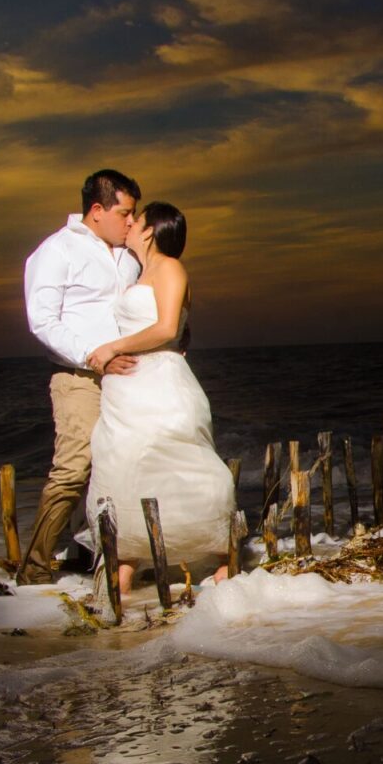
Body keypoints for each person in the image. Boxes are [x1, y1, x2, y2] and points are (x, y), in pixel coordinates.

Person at [84, 201, 236, 591]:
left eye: (136, 219)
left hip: (159, 383)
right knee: (124, 465)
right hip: (127, 390)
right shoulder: (140, 273)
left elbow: (168, 327)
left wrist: (112, 347)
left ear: (151, 230)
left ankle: (225, 555)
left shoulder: (169, 267)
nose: (129, 223)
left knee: (181, 462)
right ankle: (126, 563)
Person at [18, 169, 143, 585]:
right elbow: (42, 322)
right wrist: (94, 358)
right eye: (124, 213)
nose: (131, 222)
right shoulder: (56, 251)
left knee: (121, 467)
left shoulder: (127, 253)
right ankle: (34, 569)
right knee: (73, 469)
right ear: (96, 210)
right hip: (78, 377)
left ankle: (99, 559)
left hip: (126, 376)